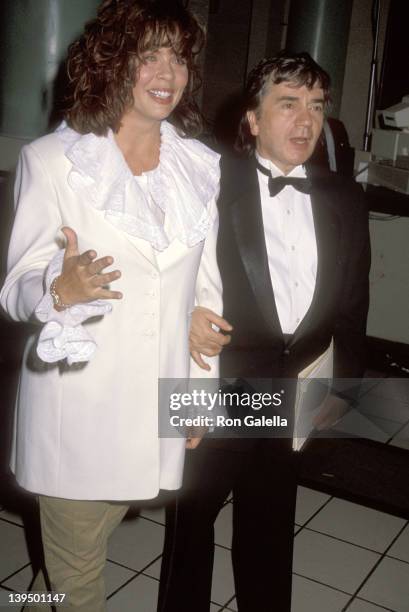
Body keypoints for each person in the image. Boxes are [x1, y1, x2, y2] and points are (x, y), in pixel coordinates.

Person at [0, 1, 221, 610]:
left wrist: (199, 394)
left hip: (152, 417)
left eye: (176, 55)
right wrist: (57, 289)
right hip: (79, 415)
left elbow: (207, 296)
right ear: (109, 63)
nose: (166, 71)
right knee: (79, 585)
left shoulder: (199, 168)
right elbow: (16, 283)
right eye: (146, 53)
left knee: (67, 576)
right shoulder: (50, 162)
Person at [158, 52, 370, 612]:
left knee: (271, 525)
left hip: (294, 389)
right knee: (190, 530)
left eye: (316, 106)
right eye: (288, 104)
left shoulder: (345, 198)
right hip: (215, 384)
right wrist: (180, 323)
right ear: (252, 119)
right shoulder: (207, 182)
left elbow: (352, 306)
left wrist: (342, 385)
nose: (305, 121)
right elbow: (159, 273)